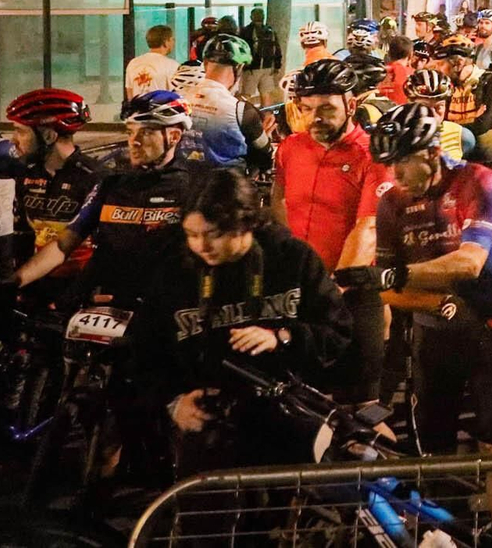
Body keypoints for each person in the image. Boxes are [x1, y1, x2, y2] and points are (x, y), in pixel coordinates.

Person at [136, 169, 352, 477]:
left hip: (287, 421)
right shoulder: (174, 273)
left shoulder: (293, 259)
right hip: (210, 426)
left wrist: (283, 337)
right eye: (192, 235)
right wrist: (173, 403)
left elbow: (338, 331)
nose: (202, 246)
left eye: (213, 234)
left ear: (245, 223)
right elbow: (144, 354)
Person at [365, 105, 492, 527]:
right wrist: (432, 303)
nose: (394, 172)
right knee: (435, 450)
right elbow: (386, 290)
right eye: (388, 163)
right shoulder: (392, 202)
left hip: (490, 325)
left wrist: (399, 276)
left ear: (432, 153)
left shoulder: (477, 181)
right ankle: (446, 534)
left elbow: (469, 263)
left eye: (402, 161)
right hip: (432, 334)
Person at [3, 91, 201, 307]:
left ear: (174, 137)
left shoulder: (195, 186)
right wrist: (13, 282)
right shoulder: (112, 184)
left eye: (146, 132)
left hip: (164, 306)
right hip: (106, 303)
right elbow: (62, 245)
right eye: (130, 132)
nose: (133, 141)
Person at [271, 59, 389, 405]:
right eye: (306, 109)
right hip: (302, 292)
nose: (314, 118)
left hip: (351, 295)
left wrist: (332, 288)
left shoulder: (373, 155)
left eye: (326, 108)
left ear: (351, 105)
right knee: (305, 405)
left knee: (360, 411)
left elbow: (367, 227)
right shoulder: (291, 148)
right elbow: (280, 202)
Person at [0, 90, 98, 286]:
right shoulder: (27, 173)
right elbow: (24, 236)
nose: (13, 140)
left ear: (49, 136)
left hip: (83, 288)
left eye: (21, 131)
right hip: (37, 282)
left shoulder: (94, 177)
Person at [183, 34, 274, 170]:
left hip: (184, 178)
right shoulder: (241, 110)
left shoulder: (181, 98)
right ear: (239, 68)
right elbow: (265, 157)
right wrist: (265, 137)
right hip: (227, 181)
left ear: (205, 63)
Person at [433, 34, 492, 189]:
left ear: (459, 63)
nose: (438, 69)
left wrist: (454, 126)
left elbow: (483, 125)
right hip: (460, 161)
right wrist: (471, 119)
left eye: (441, 64)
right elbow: (441, 123)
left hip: (491, 162)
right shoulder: (448, 87)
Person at [238, 8, 285, 105]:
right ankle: (267, 113)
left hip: (251, 69)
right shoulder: (270, 31)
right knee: (266, 94)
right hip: (268, 68)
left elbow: (242, 49)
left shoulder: (246, 31)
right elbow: (277, 49)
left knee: (246, 94)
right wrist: (277, 66)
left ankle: (244, 112)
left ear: (251, 17)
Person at [125, 25, 181, 98]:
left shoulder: (133, 63)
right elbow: (177, 96)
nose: (174, 42)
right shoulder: (172, 65)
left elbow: (130, 94)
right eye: (172, 39)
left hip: (137, 105)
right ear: (166, 42)